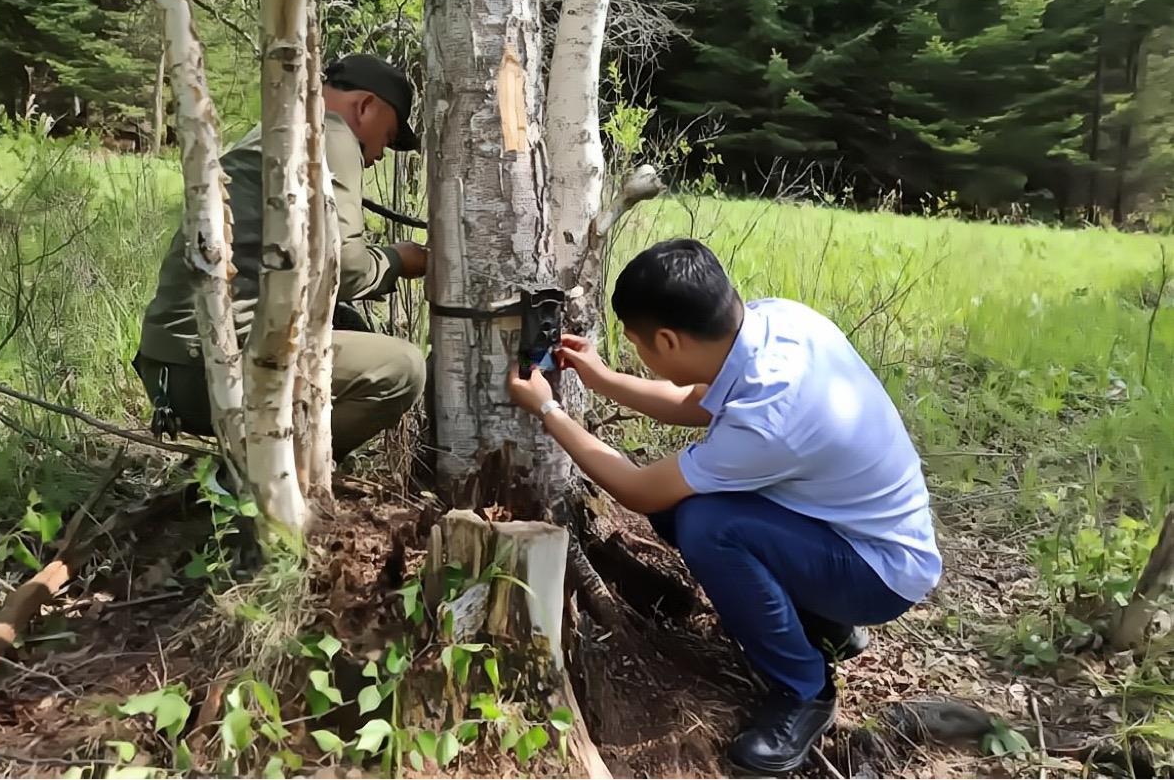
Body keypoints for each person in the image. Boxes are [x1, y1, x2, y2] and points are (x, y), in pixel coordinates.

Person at [505, 238, 942, 775]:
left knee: (706, 523)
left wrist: (549, 411)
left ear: (668, 339)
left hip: (878, 575)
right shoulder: (777, 322)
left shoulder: (769, 419)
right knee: (690, 504)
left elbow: (639, 490)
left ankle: (804, 688)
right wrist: (601, 379)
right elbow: (696, 404)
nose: (637, 354)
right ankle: (824, 622)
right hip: (851, 532)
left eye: (638, 345)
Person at [135, 54, 428, 462]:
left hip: (172, 369)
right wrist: (399, 260)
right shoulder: (330, 133)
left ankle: (248, 463)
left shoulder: (280, 129)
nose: (380, 154)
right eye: (388, 135)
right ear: (365, 107)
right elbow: (346, 268)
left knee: (346, 323)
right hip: (210, 369)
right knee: (401, 369)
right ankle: (262, 479)